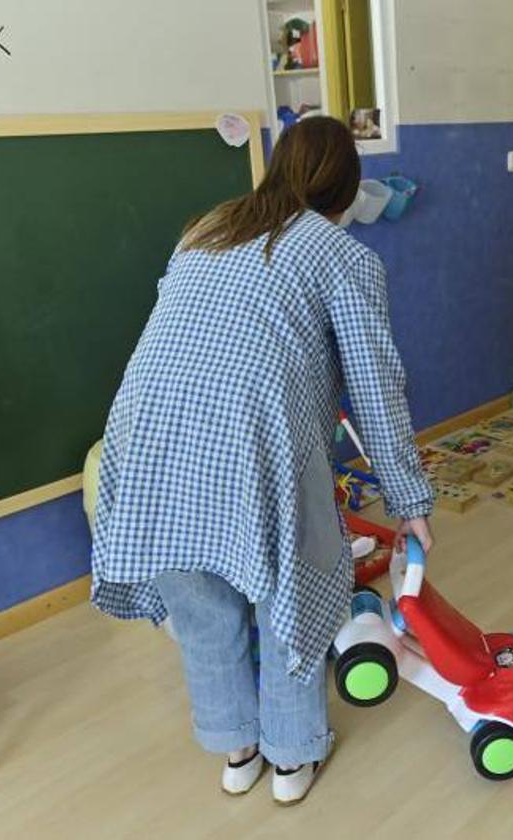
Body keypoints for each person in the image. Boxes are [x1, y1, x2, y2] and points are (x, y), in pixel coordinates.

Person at [89, 116, 434, 804]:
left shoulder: (208, 229)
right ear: (347, 188)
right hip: (254, 440)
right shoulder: (340, 253)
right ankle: (291, 757)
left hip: (144, 435)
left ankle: (236, 752)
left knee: (202, 610)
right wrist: (410, 500)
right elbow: (375, 387)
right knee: (294, 594)